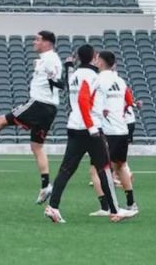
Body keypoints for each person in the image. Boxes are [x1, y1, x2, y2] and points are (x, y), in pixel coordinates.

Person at [0, 30, 63, 203]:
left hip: (39, 104)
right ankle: (46, 185)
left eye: (37, 40)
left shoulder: (50, 59)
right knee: (36, 147)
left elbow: (57, 82)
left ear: (47, 43)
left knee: (3, 120)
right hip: (50, 107)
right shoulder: (47, 59)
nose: (34, 42)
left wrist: (54, 78)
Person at [43, 45, 134, 224]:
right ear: (93, 58)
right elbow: (84, 100)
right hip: (90, 129)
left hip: (74, 125)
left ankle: (53, 206)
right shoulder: (93, 76)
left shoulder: (75, 75)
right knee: (105, 169)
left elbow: (79, 99)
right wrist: (92, 126)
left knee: (66, 169)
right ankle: (115, 210)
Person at [88, 51, 137, 216]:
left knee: (96, 169)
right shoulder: (120, 80)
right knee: (120, 166)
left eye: (97, 59)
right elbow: (127, 102)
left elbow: (89, 102)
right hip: (122, 129)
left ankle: (105, 206)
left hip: (107, 131)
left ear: (100, 62)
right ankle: (131, 203)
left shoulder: (98, 80)